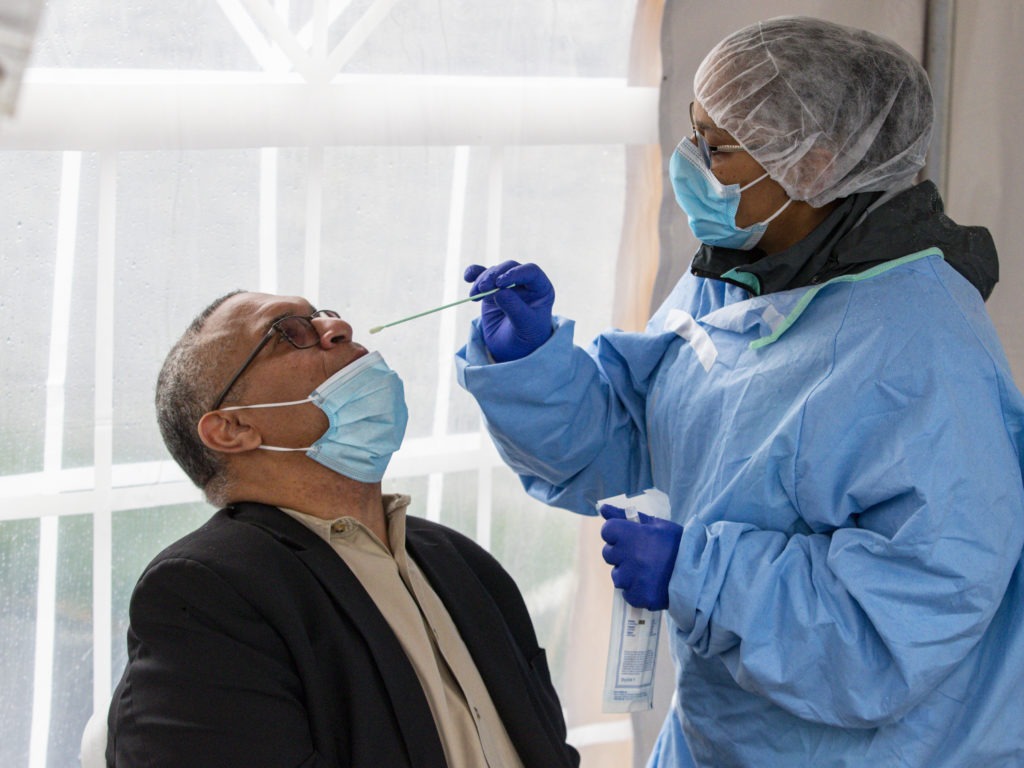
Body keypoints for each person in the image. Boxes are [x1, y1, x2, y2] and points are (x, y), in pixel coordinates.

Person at [455, 15, 1024, 768]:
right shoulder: (738, 277)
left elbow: (910, 617)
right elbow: (643, 451)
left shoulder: (920, 349)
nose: (690, 164)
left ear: (815, 164)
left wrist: (698, 572)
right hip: (724, 734)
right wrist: (532, 369)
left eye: (717, 149)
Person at [105, 290, 580, 768]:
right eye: (287, 332)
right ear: (231, 428)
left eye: (324, 316)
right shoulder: (208, 594)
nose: (338, 329)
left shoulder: (459, 561)